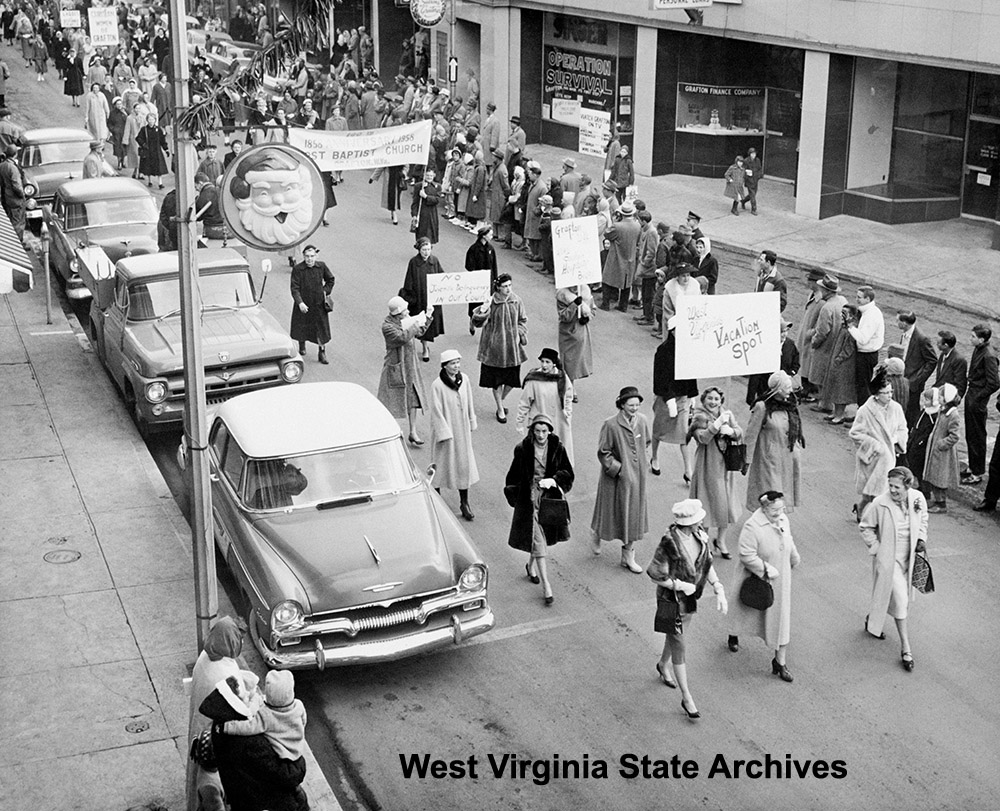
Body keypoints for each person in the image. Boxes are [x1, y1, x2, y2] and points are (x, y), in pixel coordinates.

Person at [646, 498, 728, 719]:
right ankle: (687, 697)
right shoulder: (668, 542)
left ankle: (663, 664)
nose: (701, 522)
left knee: (675, 637)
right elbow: (655, 574)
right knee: (679, 644)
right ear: (689, 523)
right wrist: (680, 585)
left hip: (690, 601)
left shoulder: (699, 536)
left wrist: (718, 587)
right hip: (672, 601)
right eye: (698, 520)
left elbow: (707, 563)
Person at [197, 674, 307, 811]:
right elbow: (288, 776)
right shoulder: (251, 742)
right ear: (235, 705)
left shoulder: (219, 725)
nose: (251, 697)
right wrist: (300, 763)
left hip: (242, 799)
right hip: (264, 802)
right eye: (246, 698)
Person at [726, 491, 801, 683]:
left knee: (781, 619)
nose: (779, 513)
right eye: (774, 509)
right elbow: (746, 554)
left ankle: (780, 661)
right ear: (764, 508)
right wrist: (766, 569)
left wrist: (794, 557)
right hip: (757, 577)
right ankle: (734, 632)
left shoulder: (783, 519)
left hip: (781, 578)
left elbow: (788, 540)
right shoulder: (752, 526)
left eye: (781, 508)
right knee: (745, 610)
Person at [859, 466, 929, 672]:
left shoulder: (917, 499)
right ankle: (905, 647)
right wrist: (877, 548)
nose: (892, 490)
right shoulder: (880, 503)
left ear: (908, 485)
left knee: (891, 594)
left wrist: (922, 538)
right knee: (900, 600)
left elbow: (923, 519)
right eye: (890, 485)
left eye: (897, 486)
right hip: (889, 559)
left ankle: (873, 618)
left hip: (910, 556)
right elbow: (865, 526)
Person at [504, 413, 575, 606]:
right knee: (537, 538)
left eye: (544, 431)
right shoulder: (522, 449)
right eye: (537, 431)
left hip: (548, 498)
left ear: (549, 431)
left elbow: (568, 473)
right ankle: (547, 587)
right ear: (532, 431)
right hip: (529, 500)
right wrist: (516, 495)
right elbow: (512, 477)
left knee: (539, 536)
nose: (541, 435)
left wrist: (554, 480)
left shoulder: (558, 448)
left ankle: (530, 566)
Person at [185, 616, 245, 811]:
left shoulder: (205, 657)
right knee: (214, 789)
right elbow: (240, 708)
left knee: (198, 777)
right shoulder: (225, 673)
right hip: (214, 738)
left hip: (200, 728)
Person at [590, 386, 651, 572]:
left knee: (634, 514)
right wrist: (618, 469)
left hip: (638, 476)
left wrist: (644, 460)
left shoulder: (642, 421)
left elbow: (646, 442)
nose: (634, 408)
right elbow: (603, 452)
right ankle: (597, 533)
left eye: (637, 404)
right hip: (615, 478)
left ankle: (628, 555)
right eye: (630, 404)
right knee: (610, 511)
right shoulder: (611, 424)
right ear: (622, 404)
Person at [689, 387, 743, 559]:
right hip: (708, 463)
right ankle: (703, 541)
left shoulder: (726, 414)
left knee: (725, 503)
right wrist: (716, 425)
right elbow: (702, 438)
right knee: (707, 501)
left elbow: (739, 432)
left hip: (725, 464)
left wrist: (732, 431)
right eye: (710, 399)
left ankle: (721, 540)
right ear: (704, 400)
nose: (713, 402)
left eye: (717, 399)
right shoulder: (699, 416)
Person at [849, 369, 908, 519]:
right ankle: (875, 516)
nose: (890, 396)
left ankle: (869, 512)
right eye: (886, 393)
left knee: (881, 489)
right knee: (873, 491)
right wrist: (875, 445)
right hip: (872, 457)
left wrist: (898, 440)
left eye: (891, 392)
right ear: (876, 394)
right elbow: (855, 433)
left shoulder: (896, 408)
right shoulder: (865, 411)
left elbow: (902, 427)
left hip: (889, 456)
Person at [472, 273, 528, 423]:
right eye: (505, 286)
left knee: (512, 381)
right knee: (496, 381)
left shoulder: (516, 300)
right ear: (498, 287)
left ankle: (501, 401)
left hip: (511, 348)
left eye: (510, 285)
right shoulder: (491, 302)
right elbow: (477, 323)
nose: (508, 289)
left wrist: (519, 332)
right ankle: (500, 408)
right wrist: (483, 310)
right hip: (494, 349)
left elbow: (523, 320)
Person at [430, 349, 478, 521]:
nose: (456, 366)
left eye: (458, 362)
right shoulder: (437, 385)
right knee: (442, 464)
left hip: (462, 429)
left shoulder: (464, 379)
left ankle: (464, 502)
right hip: (447, 430)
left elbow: (470, 401)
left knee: (463, 465)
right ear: (445, 366)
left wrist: (472, 420)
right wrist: (444, 431)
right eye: (452, 363)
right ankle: (436, 498)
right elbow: (435, 410)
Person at [744, 371, 803, 514]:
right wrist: (746, 460)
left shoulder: (790, 406)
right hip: (768, 458)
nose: (790, 390)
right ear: (778, 389)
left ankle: (777, 518)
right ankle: (766, 520)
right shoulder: (762, 407)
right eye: (787, 387)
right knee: (771, 492)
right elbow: (750, 435)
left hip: (786, 457)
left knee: (783, 490)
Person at [377, 296, 431, 446]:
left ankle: (413, 431)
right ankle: (389, 432)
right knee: (392, 400)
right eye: (405, 310)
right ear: (398, 312)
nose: (408, 312)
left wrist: (428, 317)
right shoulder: (387, 326)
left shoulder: (406, 320)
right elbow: (402, 337)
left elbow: (419, 332)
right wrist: (414, 324)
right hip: (396, 366)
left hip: (410, 365)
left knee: (413, 399)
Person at [222, 670, 307, 764]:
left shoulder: (266, 714)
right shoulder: (299, 705)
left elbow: (249, 727)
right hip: (297, 748)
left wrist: (227, 727)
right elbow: (303, 721)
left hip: (280, 752)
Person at [650, 327, 698, 483]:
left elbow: (692, 373)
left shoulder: (689, 348)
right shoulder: (663, 350)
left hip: (683, 395)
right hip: (666, 396)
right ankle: (655, 457)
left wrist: (692, 395)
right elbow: (659, 376)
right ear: (672, 331)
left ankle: (688, 470)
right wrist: (668, 398)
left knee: (684, 433)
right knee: (659, 429)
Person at [516, 347, 574, 464]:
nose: (544, 365)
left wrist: (568, 412)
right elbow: (524, 403)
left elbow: (568, 396)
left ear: (554, 364)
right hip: (540, 421)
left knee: (559, 449)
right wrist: (519, 422)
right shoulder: (534, 379)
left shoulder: (562, 378)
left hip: (558, 420)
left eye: (547, 362)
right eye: (542, 361)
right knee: (538, 453)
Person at [962, 324, 999, 485]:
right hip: (972, 395)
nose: (970, 339)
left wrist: (978, 397)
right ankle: (973, 465)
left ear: (981, 339)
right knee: (971, 433)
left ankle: (977, 472)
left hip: (977, 399)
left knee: (977, 435)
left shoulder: (989, 355)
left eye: (973, 337)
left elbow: (994, 383)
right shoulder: (980, 349)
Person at [400, 237, 446, 361]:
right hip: (419, 298)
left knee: (430, 323)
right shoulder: (414, 262)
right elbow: (409, 280)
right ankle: (425, 347)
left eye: (428, 249)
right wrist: (410, 296)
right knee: (420, 323)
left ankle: (426, 346)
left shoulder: (434, 261)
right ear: (419, 250)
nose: (426, 252)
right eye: (424, 249)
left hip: (432, 299)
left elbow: (442, 276)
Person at [289, 245, 335, 364]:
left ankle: (322, 352)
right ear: (303, 256)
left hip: (318, 304)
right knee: (302, 326)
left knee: (321, 329)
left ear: (316, 256)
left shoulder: (321, 266)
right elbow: (295, 288)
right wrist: (300, 302)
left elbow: (330, 280)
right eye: (307, 256)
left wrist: (325, 291)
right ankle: (302, 345)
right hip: (304, 304)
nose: (310, 259)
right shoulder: (298, 269)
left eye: (312, 256)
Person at [922, 383, 961, 513]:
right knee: (935, 476)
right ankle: (937, 500)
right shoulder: (943, 410)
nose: (938, 398)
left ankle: (941, 504)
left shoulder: (953, 415)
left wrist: (941, 444)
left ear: (947, 399)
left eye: (940, 396)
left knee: (941, 478)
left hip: (943, 452)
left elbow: (954, 436)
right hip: (937, 449)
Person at [746, 319, 800, 408]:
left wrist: (791, 373)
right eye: (782, 332)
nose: (785, 334)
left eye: (786, 331)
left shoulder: (790, 345)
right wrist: (751, 397)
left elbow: (796, 362)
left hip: (783, 391)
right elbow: (756, 373)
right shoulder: (765, 347)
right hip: (766, 389)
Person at [820, 303, 859, 424]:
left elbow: (849, 348)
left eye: (845, 313)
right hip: (837, 362)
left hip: (844, 364)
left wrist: (839, 359)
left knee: (841, 390)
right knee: (835, 387)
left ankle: (840, 415)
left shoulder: (851, 330)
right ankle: (836, 412)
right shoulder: (843, 327)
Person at [897, 311, 938, 427]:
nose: (897, 323)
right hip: (903, 378)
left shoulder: (921, 338)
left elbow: (932, 360)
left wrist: (918, 379)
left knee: (911, 410)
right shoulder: (904, 333)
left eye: (898, 321)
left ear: (905, 323)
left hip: (913, 381)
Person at [848, 285, 886, 407]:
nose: (857, 299)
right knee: (861, 385)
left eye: (859, 297)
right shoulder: (867, 312)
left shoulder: (871, 315)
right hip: (865, 354)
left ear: (868, 299)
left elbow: (863, 339)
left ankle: (863, 413)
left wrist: (850, 327)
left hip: (866, 355)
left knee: (863, 386)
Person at [600, 200, 641, 312]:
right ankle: (623, 305)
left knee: (607, 279)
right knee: (626, 283)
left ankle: (606, 303)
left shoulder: (617, 226)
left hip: (616, 256)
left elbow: (607, 234)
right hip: (630, 257)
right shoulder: (637, 226)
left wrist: (615, 221)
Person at [555, 286, 594, 397]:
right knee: (568, 360)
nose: (575, 288)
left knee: (576, 362)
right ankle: (569, 387)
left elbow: (593, 309)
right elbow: (564, 316)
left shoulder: (586, 293)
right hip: (567, 332)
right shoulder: (563, 296)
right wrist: (574, 305)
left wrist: (587, 317)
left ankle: (570, 385)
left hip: (581, 331)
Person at [465, 223, 497, 334]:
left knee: (487, 304)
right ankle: (472, 321)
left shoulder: (491, 249)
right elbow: (468, 266)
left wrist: (495, 280)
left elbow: (494, 266)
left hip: (488, 281)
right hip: (476, 281)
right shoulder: (473, 249)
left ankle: (485, 326)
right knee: (474, 303)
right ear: (484, 235)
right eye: (490, 234)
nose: (491, 236)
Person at [932, 330, 968, 397]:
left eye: (938, 343)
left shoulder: (959, 360)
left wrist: (955, 399)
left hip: (948, 397)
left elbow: (961, 384)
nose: (936, 344)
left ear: (945, 345)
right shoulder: (943, 354)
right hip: (939, 394)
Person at [137, 112, 168, 188]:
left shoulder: (158, 129)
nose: (151, 121)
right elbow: (138, 138)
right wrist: (143, 144)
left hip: (157, 151)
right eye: (149, 119)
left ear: (155, 120)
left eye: (152, 119)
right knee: (148, 167)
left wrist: (166, 149)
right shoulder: (144, 129)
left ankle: (160, 183)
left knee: (159, 168)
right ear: (147, 120)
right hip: (148, 150)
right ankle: (150, 181)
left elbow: (162, 140)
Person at [413, 168, 441, 246]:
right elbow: (415, 202)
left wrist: (426, 196)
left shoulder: (437, 186)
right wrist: (414, 215)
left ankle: (428, 250)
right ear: (424, 175)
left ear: (434, 176)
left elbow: (437, 200)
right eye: (427, 175)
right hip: (422, 214)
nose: (429, 177)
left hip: (432, 214)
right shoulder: (418, 186)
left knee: (430, 235)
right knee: (421, 235)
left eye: (431, 175)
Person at [107, 98, 128, 169]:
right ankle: (119, 162)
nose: (119, 106)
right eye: (118, 104)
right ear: (115, 105)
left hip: (125, 132)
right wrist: (113, 129)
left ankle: (123, 161)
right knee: (118, 148)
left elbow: (129, 120)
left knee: (124, 147)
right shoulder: (112, 113)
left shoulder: (126, 111)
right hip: (117, 133)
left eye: (120, 104)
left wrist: (125, 114)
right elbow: (109, 123)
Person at [741, 146, 762, 214]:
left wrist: (759, 176)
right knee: (752, 195)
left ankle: (743, 201)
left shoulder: (757, 160)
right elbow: (743, 170)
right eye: (752, 154)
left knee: (753, 194)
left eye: (754, 154)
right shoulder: (746, 161)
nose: (753, 155)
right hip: (749, 180)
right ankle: (754, 209)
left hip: (755, 180)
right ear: (749, 154)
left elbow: (759, 169)